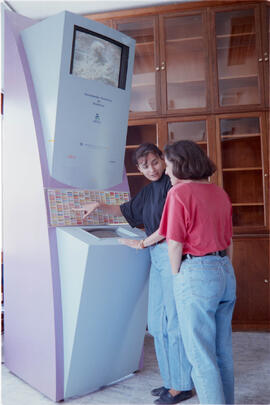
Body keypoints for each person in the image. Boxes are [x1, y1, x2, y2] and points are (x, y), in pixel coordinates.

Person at [74, 143, 193, 404]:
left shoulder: (174, 186)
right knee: (156, 324)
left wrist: (141, 243)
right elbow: (125, 211)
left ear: (163, 160)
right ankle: (171, 381)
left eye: (154, 162)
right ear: (138, 169)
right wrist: (99, 205)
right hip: (155, 256)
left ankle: (183, 385)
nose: (151, 168)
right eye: (144, 165)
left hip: (173, 253)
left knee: (173, 324)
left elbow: (168, 229)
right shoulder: (148, 192)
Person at [157, 140, 236, 405]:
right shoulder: (219, 192)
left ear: (180, 164)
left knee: (200, 355)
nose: (166, 172)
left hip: (196, 273)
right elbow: (229, 242)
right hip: (224, 270)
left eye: (167, 165)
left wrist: (177, 276)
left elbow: (175, 242)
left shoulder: (178, 193)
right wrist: (223, 267)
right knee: (221, 351)